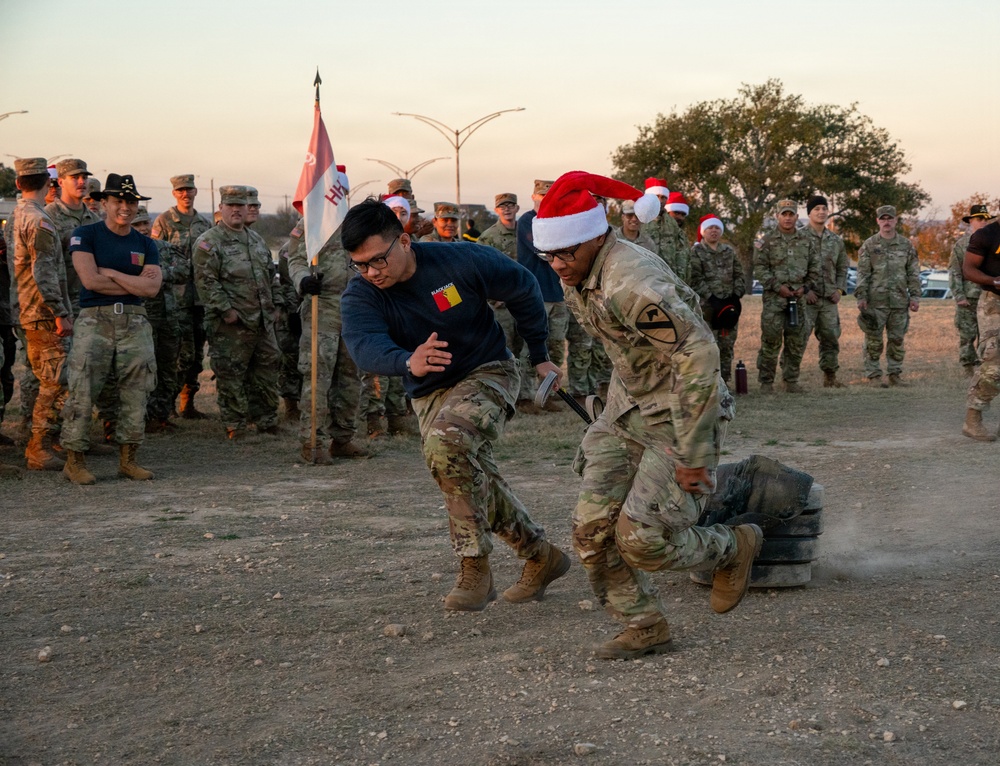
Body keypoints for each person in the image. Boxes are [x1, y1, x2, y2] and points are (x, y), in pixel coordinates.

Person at [532, 171, 762, 659]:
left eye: (565, 254)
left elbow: (698, 355)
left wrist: (696, 449)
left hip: (681, 414)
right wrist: (604, 413)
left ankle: (731, 546)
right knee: (591, 531)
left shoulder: (631, 282)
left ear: (596, 234)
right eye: (548, 256)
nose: (556, 266)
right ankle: (643, 625)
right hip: (626, 410)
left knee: (641, 539)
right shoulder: (580, 269)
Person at [340, 198, 571, 612]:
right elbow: (363, 346)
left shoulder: (459, 259)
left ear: (404, 242)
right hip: (429, 393)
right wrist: (406, 360)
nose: (371, 272)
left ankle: (474, 566)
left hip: (489, 370)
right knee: (464, 469)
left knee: (446, 448)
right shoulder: (361, 294)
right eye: (360, 265)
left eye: (377, 260)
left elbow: (523, 286)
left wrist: (539, 353)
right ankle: (540, 555)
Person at [61, 173, 161, 484]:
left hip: (135, 320)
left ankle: (128, 459)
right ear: (104, 202)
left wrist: (112, 274)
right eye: (118, 200)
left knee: (137, 390)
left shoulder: (146, 243)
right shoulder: (85, 234)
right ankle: (74, 460)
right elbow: (90, 280)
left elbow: (152, 288)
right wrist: (133, 282)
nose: (125, 207)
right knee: (83, 388)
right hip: (95, 319)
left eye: (131, 202)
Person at [192, 185, 280, 439]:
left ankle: (266, 419)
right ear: (221, 208)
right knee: (231, 374)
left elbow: (269, 276)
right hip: (231, 323)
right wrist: (225, 310)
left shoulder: (255, 239)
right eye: (230, 206)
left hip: (261, 321)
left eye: (241, 206)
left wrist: (275, 306)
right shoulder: (210, 241)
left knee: (266, 371)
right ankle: (235, 424)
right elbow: (206, 281)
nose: (236, 211)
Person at [287, 216, 369, 462]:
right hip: (321, 306)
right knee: (317, 377)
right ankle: (313, 442)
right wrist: (303, 280)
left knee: (350, 378)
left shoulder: (356, 222)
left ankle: (342, 438)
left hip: (354, 307)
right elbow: (296, 259)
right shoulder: (312, 220)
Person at [10, 158, 74, 471]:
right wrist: (60, 311)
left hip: (26, 308)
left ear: (20, 183)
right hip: (42, 311)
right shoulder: (40, 220)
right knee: (55, 378)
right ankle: (39, 446)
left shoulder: (17, 214)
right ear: (50, 184)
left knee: (48, 377)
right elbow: (44, 269)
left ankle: (42, 443)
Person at [152, 174, 213, 419]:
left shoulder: (203, 224)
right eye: (180, 191)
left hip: (199, 299)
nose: (185, 194)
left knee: (197, 354)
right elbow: (155, 256)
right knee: (179, 355)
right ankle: (165, 405)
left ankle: (188, 404)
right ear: (174, 194)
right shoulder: (164, 221)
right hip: (175, 301)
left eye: (189, 189)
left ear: (196, 191)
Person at [478, 193, 541, 405]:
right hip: (501, 306)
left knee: (527, 350)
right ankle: (505, 398)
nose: (506, 209)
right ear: (496, 210)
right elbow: (480, 271)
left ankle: (525, 396)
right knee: (505, 353)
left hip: (523, 303)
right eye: (502, 206)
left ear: (517, 208)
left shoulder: (526, 233)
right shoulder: (488, 237)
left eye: (510, 205)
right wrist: (493, 298)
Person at [754, 200, 820, 393]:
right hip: (774, 300)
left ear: (797, 217)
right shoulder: (766, 241)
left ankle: (790, 380)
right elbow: (760, 268)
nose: (788, 218)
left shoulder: (806, 241)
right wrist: (776, 286)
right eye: (784, 214)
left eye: (791, 214)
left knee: (796, 342)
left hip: (798, 300)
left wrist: (805, 288)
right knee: (770, 341)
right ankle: (766, 382)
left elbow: (815, 268)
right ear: (778, 216)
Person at [516, 179, 568, 413]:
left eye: (550, 196)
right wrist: (566, 252)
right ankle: (526, 397)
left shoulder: (559, 220)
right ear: (534, 197)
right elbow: (542, 251)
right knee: (533, 347)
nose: (546, 200)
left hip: (558, 293)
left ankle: (547, 394)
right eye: (541, 196)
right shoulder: (528, 221)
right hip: (536, 294)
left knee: (556, 346)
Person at [855, 205, 921, 387]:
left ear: (895, 220)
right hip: (875, 302)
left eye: (889, 218)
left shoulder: (906, 245)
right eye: (883, 219)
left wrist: (915, 296)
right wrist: (861, 296)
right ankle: (874, 375)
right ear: (877, 221)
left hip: (899, 301)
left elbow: (913, 273)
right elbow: (863, 273)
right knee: (873, 340)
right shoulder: (869, 245)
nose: (886, 222)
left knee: (897, 340)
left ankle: (895, 374)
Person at [131, 207, 182, 432]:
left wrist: (158, 275)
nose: (142, 228)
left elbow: (184, 269)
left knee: (168, 366)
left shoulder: (163, 247)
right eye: (137, 224)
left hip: (168, 317)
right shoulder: (125, 250)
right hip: (141, 319)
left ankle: (161, 414)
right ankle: (141, 416)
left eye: (145, 224)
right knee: (142, 369)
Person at [688, 214, 746, 384]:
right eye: (709, 228)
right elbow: (695, 278)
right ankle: (708, 382)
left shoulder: (729, 251)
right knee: (707, 346)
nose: (713, 231)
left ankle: (725, 381)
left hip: (729, 307)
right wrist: (711, 298)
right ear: (703, 231)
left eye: (716, 228)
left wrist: (736, 296)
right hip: (707, 308)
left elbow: (739, 275)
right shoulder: (696, 252)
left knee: (726, 345)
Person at [960, 211, 1000, 441]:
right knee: (993, 361)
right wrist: (992, 280)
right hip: (994, 303)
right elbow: (968, 270)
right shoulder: (986, 235)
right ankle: (972, 420)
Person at [803, 195, 849, 388]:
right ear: (809, 213)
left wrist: (839, 289)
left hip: (829, 299)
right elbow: (794, 268)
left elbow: (842, 267)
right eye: (816, 209)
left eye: (824, 208)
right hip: (807, 299)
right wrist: (805, 290)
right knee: (798, 338)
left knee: (830, 338)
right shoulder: (800, 237)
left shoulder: (835, 240)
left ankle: (830, 377)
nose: (821, 212)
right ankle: (790, 379)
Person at [45, 158, 100, 317]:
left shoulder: (95, 220)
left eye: (84, 177)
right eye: (75, 178)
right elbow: (44, 267)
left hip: (89, 305)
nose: (82, 182)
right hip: (59, 306)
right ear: (61, 182)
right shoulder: (48, 217)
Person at [950, 205, 993, 376]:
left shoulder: (994, 241)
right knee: (967, 333)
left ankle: (985, 366)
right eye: (979, 219)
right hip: (969, 296)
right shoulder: (961, 245)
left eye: (985, 219)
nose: (983, 222)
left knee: (988, 333)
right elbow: (955, 271)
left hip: (989, 296)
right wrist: (959, 295)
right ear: (971, 221)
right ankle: (968, 367)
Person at [642, 177, 689, 281]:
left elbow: (680, 253)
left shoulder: (672, 223)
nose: (660, 200)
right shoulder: (640, 220)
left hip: (669, 280)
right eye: (656, 196)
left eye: (663, 197)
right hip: (646, 279)